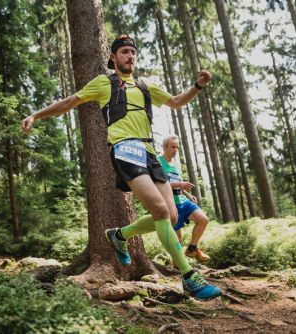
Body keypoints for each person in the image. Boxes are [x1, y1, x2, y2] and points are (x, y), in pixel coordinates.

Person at [21, 34, 221, 300]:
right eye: (124, 52)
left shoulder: (145, 84)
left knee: (172, 218)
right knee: (161, 210)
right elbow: (69, 102)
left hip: (150, 152)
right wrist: (36, 114)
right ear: (113, 57)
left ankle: (119, 235)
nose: (130, 56)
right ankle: (188, 277)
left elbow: (175, 102)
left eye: (133, 52)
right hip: (125, 148)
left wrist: (197, 86)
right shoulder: (104, 83)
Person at [159, 135, 210, 264]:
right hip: (170, 204)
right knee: (177, 241)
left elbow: (177, 183)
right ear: (165, 147)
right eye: (172, 147)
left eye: (177, 147)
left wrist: (188, 194)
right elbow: (159, 185)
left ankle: (192, 248)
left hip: (183, 200)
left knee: (203, 219)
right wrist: (179, 185)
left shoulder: (176, 165)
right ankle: (177, 267)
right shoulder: (158, 163)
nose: (175, 150)